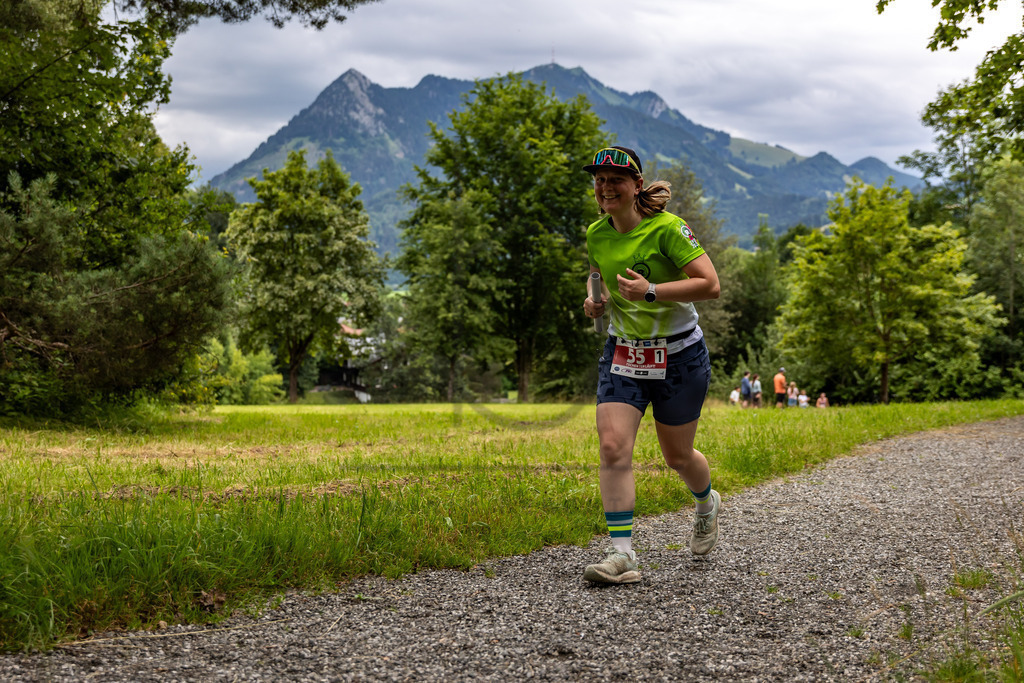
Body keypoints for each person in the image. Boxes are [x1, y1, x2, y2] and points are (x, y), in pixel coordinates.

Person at [581, 145, 722, 584]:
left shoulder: (669, 229)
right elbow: (600, 276)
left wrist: (651, 291)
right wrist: (595, 300)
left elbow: (710, 284)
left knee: (677, 456)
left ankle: (706, 503)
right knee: (613, 447)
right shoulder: (597, 233)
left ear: (636, 184)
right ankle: (621, 554)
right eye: (599, 180)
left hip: (679, 354)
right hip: (623, 352)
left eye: (616, 180)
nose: (606, 187)